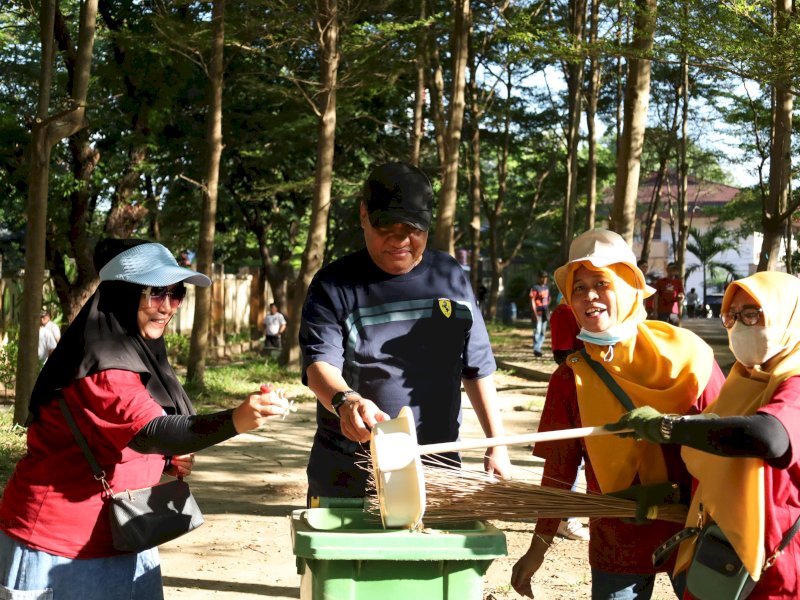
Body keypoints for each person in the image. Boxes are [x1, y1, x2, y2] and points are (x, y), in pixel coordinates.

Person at [0, 239, 291, 600]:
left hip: (128, 537)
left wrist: (166, 458)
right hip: (61, 548)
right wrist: (236, 420)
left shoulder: (139, 352)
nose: (167, 307)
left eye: (176, 293)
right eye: (156, 293)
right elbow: (149, 430)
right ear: (123, 295)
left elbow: (136, 431)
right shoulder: (105, 365)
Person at [510, 228, 725, 600]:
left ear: (628, 287)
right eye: (579, 287)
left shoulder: (691, 356)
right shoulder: (570, 378)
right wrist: (537, 548)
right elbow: (559, 471)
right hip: (617, 536)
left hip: (696, 529)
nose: (589, 296)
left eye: (601, 283)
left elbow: (728, 444)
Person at [299, 161, 511, 502]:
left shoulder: (450, 276)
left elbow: (477, 367)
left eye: (412, 228)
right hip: (349, 478)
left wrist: (496, 444)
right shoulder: (333, 285)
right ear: (364, 215)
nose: (400, 240)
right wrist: (346, 400)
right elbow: (319, 365)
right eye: (387, 227)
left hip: (437, 473)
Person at [607, 271, 800, 599]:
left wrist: (668, 427)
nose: (739, 326)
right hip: (720, 553)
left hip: (774, 566)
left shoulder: (794, 383)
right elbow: (724, 462)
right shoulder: (742, 380)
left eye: (752, 314)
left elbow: (768, 437)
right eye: (731, 316)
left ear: (788, 314)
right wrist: (674, 494)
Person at [548, 292, 590, 542]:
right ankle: (565, 518)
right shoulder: (564, 312)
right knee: (571, 456)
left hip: (597, 392)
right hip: (577, 392)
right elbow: (562, 355)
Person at [530, 270, 551, 358]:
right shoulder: (535, 288)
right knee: (537, 331)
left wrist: (547, 308)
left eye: (545, 277)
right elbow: (532, 300)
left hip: (545, 312)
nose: (544, 279)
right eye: (542, 277)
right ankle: (536, 349)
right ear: (539, 278)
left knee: (543, 332)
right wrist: (534, 313)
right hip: (537, 313)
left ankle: (538, 348)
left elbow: (549, 298)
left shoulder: (546, 287)